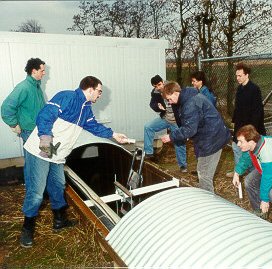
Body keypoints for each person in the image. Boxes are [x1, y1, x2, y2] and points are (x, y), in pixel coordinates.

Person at [20, 76, 128, 248]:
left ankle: (59, 220)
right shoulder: (67, 97)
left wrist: (114, 135)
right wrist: (46, 139)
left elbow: (94, 127)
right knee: (37, 191)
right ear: (90, 89)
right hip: (42, 150)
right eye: (99, 91)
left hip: (57, 154)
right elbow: (45, 115)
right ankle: (27, 229)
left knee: (58, 185)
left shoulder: (86, 109)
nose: (100, 95)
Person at [161, 81, 231, 193]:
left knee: (203, 173)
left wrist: (171, 136)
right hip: (210, 136)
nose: (169, 102)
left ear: (175, 93)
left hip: (212, 139)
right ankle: (205, 194)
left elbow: (190, 129)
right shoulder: (188, 97)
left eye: (169, 99)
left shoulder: (190, 104)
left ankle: (208, 202)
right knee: (202, 171)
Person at [1, 58, 46, 184]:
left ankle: (40, 189)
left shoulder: (36, 87)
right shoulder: (24, 87)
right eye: (42, 70)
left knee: (42, 159)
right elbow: (6, 107)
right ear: (34, 71)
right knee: (33, 163)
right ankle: (33, 192)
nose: (44, 73)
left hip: (38, 130)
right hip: (29, 131)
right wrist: (14, 124)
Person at [226, 62, 266, 178]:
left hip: (250, 127)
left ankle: (254, 174)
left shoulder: (254, 89)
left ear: (247, 75)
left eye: (240, 75)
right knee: (236, 147)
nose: (237, 78)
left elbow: (258, 111)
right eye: (236, 76)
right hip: (240, 124)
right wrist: (234, 120)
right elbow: (237, 108)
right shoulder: (239, 89)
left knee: (252, 152)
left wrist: (252, 130)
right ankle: (239, 171)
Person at [144, 75, 187, 173]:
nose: (158, 88)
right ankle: (149, 153)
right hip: (165, 118)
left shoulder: (172, 87)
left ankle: (183, 165)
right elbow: (152, 104)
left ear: (163, 82)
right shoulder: (155, 92)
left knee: (179, 141)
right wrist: (158, 106)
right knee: (148, 127)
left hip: (176, 121)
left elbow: (182, 100)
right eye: (155, 86)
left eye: (159, 85)